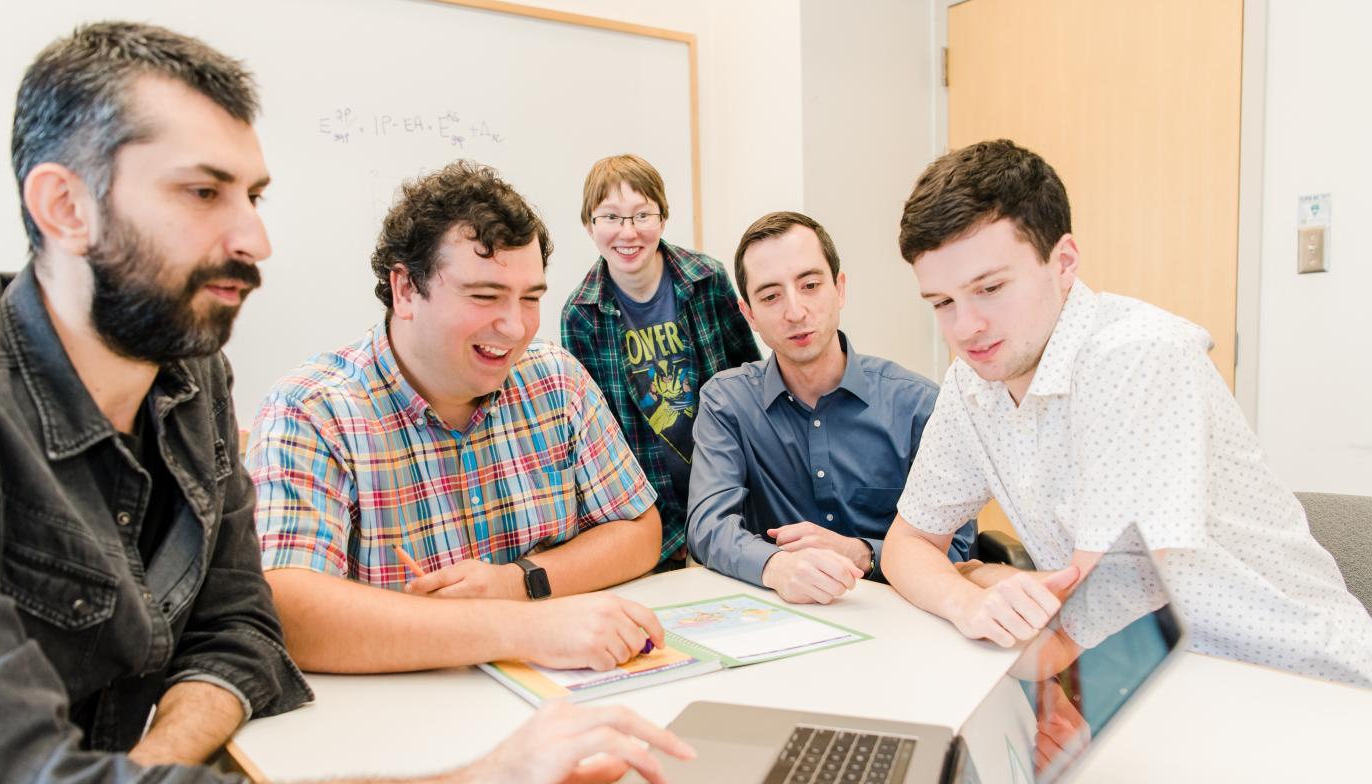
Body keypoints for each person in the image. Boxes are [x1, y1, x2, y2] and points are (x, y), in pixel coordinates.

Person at [0, 23, 692, 784]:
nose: (254, 237)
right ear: (65, 206)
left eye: (252, 195)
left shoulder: (190, 381)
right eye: (204, 192)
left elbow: (239, 634)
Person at [883, 138, 1372, 686]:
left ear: (1063, 262)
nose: (965, 328)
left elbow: (1072, 627)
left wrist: (983, 573)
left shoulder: (1137, 355)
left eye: (990, 288)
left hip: (1300, 680)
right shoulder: (972, 382)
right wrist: (963, 599)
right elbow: (905, 546)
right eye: (942, 303)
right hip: (1152, 683)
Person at [246, 161, 665, 674]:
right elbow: (287, 609)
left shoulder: (556, 380)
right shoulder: (312, 410)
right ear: (405, 291)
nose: (514, 327)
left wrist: (519, 581)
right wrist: (523, 627)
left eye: (530, 298)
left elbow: (640, 530)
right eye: (485, 296)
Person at [687, 212, 975, 605]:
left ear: (839, 289)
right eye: (771, 296)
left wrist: (863, 552)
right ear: (749, 314)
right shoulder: (728, 402)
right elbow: (708, 527)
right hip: (782, 620)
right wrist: (775, 566)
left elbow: (959, 548)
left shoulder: (917, 405)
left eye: (810, 285)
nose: (795, 311)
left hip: (902, 620)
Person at [560, 154, 762, 570]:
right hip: (649, 508)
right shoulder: (581, 314)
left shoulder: (708, 280)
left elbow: (750, 380)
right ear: (589, 225)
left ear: (663, 218)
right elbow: (597, 436)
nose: (627, 232)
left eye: (642, 215)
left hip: (730, 489)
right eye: (611, 217)